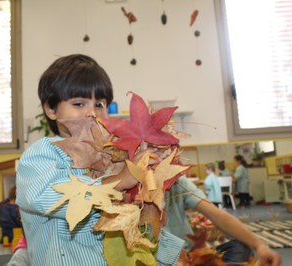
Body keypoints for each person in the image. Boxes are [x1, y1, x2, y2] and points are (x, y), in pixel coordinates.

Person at [16, 54, 185, 265]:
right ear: (50, 109)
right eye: (78, 104)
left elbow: (134, 226)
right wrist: (120, 181)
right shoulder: (42, 153)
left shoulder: (113, 157)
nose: (92, 113)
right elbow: (45, 198)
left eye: (100, 104)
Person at [163, 175, 281, 265]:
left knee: (240, 248)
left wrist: (259, 245)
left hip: (190, 256)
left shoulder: (178, 182)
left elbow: (217, 215)